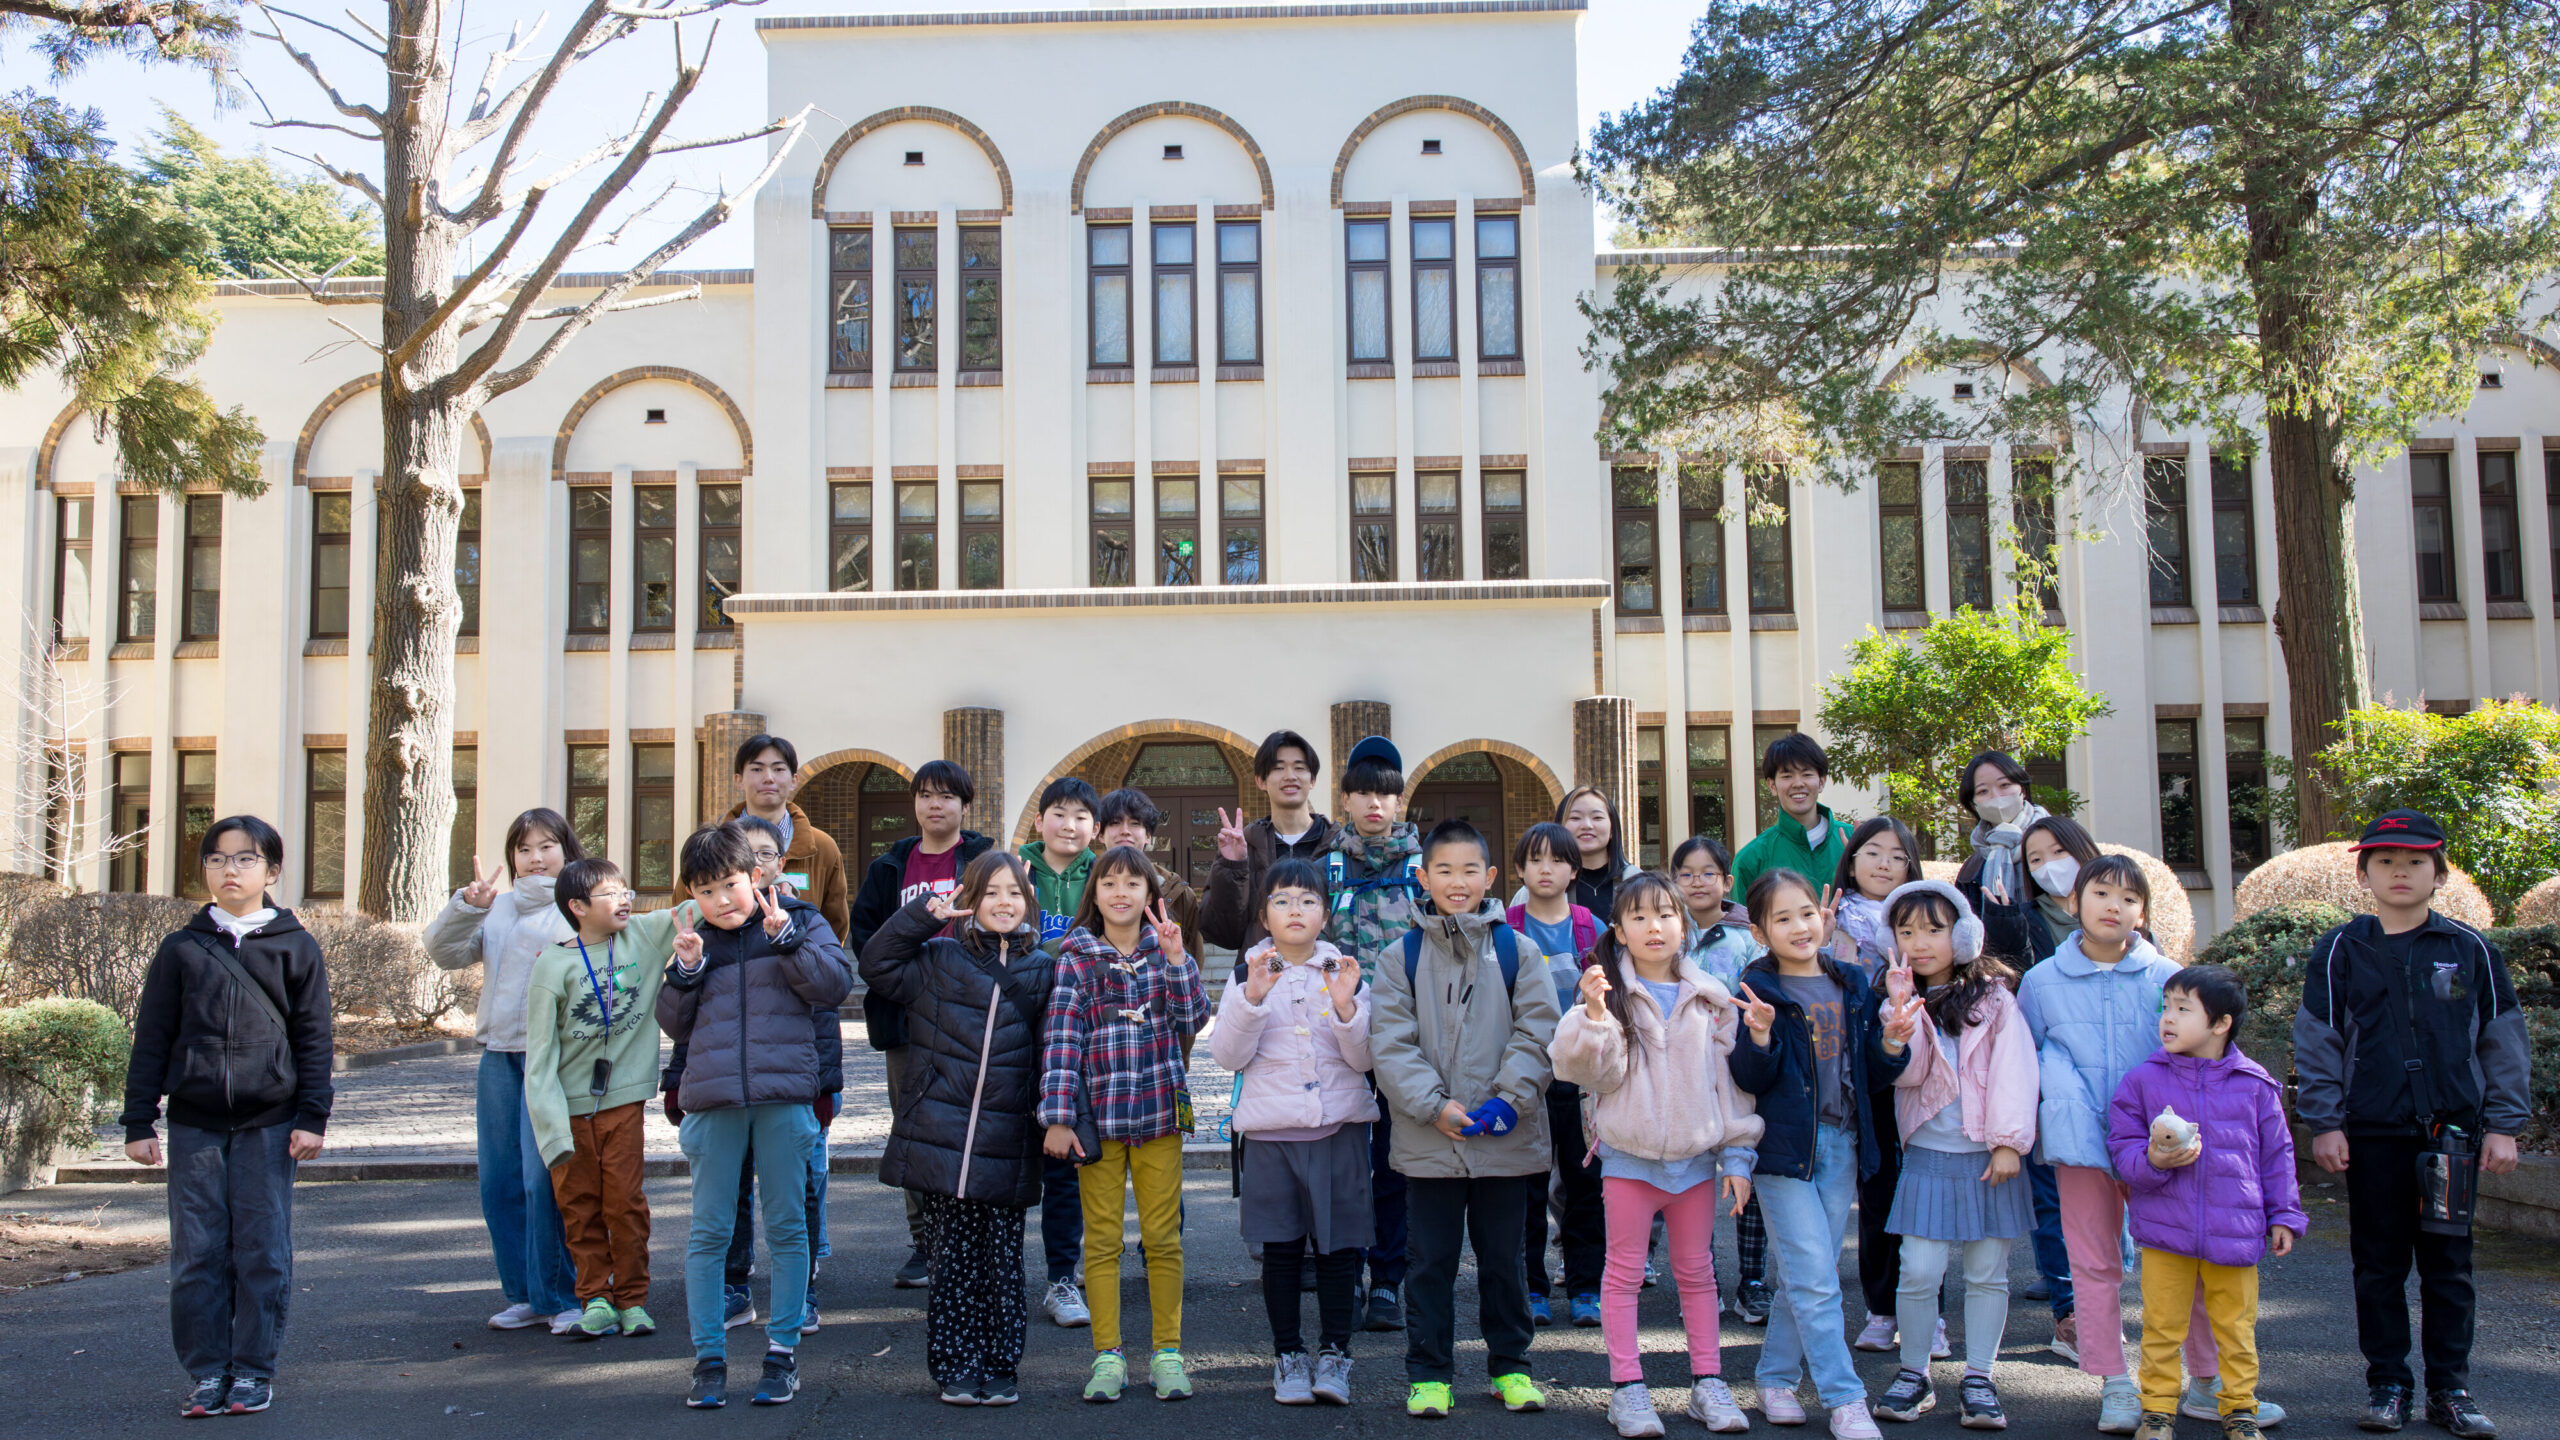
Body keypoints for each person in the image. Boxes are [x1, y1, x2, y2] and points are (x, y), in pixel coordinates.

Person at [2017, 855, 2277, 1433]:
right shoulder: (2040, 983)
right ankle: (2114, 1382)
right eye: (2102, 893)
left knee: (2199, 1255)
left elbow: (2209, 1056)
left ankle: (2208, 1384)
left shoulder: (2169, 977)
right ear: (2072, 903)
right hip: (2082, 1142)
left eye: (2130, 898)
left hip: (2168, 1146)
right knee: (2093, 1263)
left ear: (2144, 911)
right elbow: (2024, 1064)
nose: (2115, 906)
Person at [2295, 810, 2528, 1439]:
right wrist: (2324, 1122)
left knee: (2450, 1267)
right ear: (2365, 872)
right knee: (2379, 1265)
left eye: (2416, 861)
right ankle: (2388, 1385)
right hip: (2371, 1132)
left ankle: (2450, 1388)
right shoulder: (2342, 948)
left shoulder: (2470, 949)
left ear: (2439, 871)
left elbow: (2503, 1041)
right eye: (2386, 860)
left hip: (2452, 1135)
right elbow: (2317, 1039)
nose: (2401, 871)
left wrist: (2504, 1125)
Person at [121, 816, 333, 1419]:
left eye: (244, 859)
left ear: (271, 871)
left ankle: (254, 1371)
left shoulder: (295, 945)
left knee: (262, 1250)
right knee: (197, 1253)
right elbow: (153, 1037)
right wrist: (139, 1121)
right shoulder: (183, 946)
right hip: (195, 1123)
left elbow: (314, 1040)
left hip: (271, 1122)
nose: (229, 870)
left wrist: (312, 1116)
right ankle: (208, 1371)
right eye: (216, 860)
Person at [1549, 873, 1760, 1438]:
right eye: (1638, 917)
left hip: (1693, 1161)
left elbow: (1730, 1087)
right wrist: (1592, 1017)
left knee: (1697, 1275)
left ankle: (1708, 1383)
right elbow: (1583, 1073)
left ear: (1683, 925)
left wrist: (1737, 1159)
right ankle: (1627, 1388)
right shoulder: (1607, 993)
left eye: (1665, 914)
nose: (1654, 926)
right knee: (1621, 1275)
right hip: (1628, 1159)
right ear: (1618, 930)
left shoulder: (1712, 999)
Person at [1369, 818, 1563, 1420]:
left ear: (1491, 877)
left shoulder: (1518, 949)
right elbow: (1390, 1045)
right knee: (1428, 1262)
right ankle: (1429, 1373)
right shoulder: (1399, 956)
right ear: (1422, 877)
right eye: (1444, 871)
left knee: (1505, 1262)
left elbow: (1540, 1030)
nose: (1457, 882)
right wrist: (1435, 1106)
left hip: (1504, 1137)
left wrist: (1509, 1099)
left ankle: (1511, 1367)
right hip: (1430, 1141)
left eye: (1470, 869)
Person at [657, 822, 853, 1410]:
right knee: (709, 1232)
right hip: (714, 1104)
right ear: (691, 894)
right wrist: (685, 970)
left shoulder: (802, 920)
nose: (720, 900)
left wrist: (787, 937)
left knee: (789, 1230)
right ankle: (708, 1358)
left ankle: (782, 1354)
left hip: (784, 1101)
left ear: (758, 876)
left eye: (730, 884)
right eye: (705, 890)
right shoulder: (695, 942)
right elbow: (673, 1023)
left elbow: (834, 986)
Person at [858, 851, 1054, 1407]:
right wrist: (925, 914)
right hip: (942, 1137)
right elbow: (877, 964)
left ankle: (1000, 1366)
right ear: (969, 898)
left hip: (1007, 1141)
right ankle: (954, 1365)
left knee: (1002, 1263)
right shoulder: (937, 956)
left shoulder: (1044, 967)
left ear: (1028, 901)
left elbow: (1056, 1050)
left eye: (1014, 893)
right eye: (990, 892)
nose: (1003, 903)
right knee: (951, 1264)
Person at [1729, 868, 1916, 1440]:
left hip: (1842, 1145)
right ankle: (1845, 1397)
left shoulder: (1854, 983)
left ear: (1823, 915)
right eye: (1781, 918)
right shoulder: (1758, 987)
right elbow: (1748, 1075)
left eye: (1806, 912)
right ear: (1761, 931)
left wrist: (1892, 1041)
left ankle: (1776, 1377)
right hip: (1784, 1151)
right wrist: (1759, 1036)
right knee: (1815, 1280)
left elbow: (1876, 1072)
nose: (1798, 926)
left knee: (1808, 1275)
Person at [2106, 964, 2308, 1440]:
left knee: (2236, 1329)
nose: (2168, 1019)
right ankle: (2157, 1411)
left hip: (2236, 1235)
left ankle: (2239, 1409)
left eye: (2183, 1009)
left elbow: (2278, 1156)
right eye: (2166, 1007)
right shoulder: (2144, 1081)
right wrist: (2153, 1159)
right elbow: (2122, 1149)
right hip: (2165, 1231)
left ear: (2221, 1024)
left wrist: (2284, 1215)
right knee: (2160, 1327)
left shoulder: (2255, 1085)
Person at [1042, 846, 1209, 1402]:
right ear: (1094, 893)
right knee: (1104, 1240)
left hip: (1161, 1113)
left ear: (1149, 895)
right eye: (1109, 882)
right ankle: (1108, 1355)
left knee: (1164, 1239)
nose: (1120, 893)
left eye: (1132, 884)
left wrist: (1180, 960)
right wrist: (1058, 1117)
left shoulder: (1166, 951)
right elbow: (1062, 1042)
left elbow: (1194, 1019)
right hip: (1100, 1122)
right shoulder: (1075, 957)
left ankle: (1168, 1350)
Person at [1211, 858, 1377, 1407]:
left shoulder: (1344, 970)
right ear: (1264, 915)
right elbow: (1229, 1055)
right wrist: (1254, 999)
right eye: (1282, 901)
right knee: (1281, 1252)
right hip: (1271, 1136)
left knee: (1338, 1252)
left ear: (1325, 912)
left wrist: (1348, 1006)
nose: (1295, 910)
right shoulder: (1247, 973)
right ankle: (1288, 1355)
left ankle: (1335, 1354)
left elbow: (1364, 1059)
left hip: (1339, 1131)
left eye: (1307, 900)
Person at [1872, 880, 2035, 1429]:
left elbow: (2017, 1071)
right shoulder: (1895, 997)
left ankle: (1979, 1378)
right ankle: (1914, 1373)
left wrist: (2010, 1144)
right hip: (1927, 1157)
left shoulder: (1995, 998)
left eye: (1933, 930)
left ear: (1961, 935)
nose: (1919, 942)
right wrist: (1899, 1020)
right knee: (1918, 1271)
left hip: (1990, 1157)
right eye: (1906, 930)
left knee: (1988, 1272)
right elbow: (1911, 1074)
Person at [424, 807, 585, 1334]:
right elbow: (443, 953)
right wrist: (466, 909)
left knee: (545, 1182)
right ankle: (523, 1294)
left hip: (553, 1061)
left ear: (567, 850)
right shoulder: (497, 908)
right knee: (500, 1182)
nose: (534, 858)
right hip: (498, 1056)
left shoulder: (580, 906)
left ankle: (561, 1294)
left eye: (546, 846)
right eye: (523, 848)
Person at [524, 857, 694, 1340]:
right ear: (577, 907)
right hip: (569, 1108)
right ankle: (595, 1298)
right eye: (610, 892)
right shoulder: (552, 965)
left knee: (624, 1203)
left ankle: (634, 1299)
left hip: (623, 1104)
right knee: (579, 1206)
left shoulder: (640, 937)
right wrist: (551, 1128)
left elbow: (698, 906)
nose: (624, 898)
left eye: (626, 889)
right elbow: (539, 1059)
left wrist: (751, 876)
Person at [845, 758, 993, 1289]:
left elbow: (1005, 922)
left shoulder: (983, 861)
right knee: (913, 1129)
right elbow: (865, 936)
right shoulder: (889, 868)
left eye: (947, 796)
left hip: (970, 1017)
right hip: (907, 1017)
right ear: (915, 804)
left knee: (972, 1127)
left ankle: (970, 1239)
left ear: (964, 805)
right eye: (926, 795)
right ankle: (925, 1243)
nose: (936, 804)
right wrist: (904, 981)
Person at [1320, 736, 1424, 1332]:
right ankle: (1346, 1273)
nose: (1375, 803)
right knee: (1342, 1165)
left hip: (1405, 1038)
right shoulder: (1329, 865)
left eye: (1386, 792)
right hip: (1337, 1036)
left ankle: (1387, 1279)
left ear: (1399, 798)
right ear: (1347, 798)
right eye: (1363, 792)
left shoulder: (1423, 866)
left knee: (1393, 1163)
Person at [1829, 818, 1942, 1363]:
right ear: (1851, 862)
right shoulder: (1834, 921)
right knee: (1877, 1191)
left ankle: (1929, 1312)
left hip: (1924, 1068)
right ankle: (1881, 1308)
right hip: (1865, 1070)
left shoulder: (1925, 919)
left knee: (1925, 1193)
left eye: (1897, 856)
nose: (1882, 864)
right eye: (1871, 852)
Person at [1508, 821, 1604, 1328]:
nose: (1546, 869)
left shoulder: (1593, 929)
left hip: (1582, 1080)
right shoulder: (1504, 927)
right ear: (1520, 869)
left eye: (1557, 860)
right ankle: (1532, 1287)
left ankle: (1587, 1286)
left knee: (1586, 1183)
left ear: (1574, 868)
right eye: (1535, 860)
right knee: (1526, 1184)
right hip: (1525, 1078)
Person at [1670, 835, 1770, 1325]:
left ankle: (1752, 1279)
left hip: (1737, 1071)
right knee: (1691, 1181)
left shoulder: (1747, 938)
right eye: (1686, 873)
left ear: (1728, 882)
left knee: (1743, 1172)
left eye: (1708, 872)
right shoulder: (1668, 934)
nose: (1697, 882)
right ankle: (1700, 1278)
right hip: (1683, 1074)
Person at [1019, 774, 1100, 1325]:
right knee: (1006, 1163)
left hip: (1079, 1035)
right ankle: (991, 1273)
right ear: (1040, 819)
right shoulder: (1012, 871)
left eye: (1080, 817)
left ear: (1094, 828)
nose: (1068, 825)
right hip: (1016, 1035)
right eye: (1059, 813)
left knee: (1068, 1164)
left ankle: (1062, 1279)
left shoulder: (1104, 874)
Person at [1203, 728, 1334, 954]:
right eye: (1278, 768)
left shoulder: (1339, 844)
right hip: (1262, 979)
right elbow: (1224, 934)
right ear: (1261, 781)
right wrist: (1233, 868)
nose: (1290, 776)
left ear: (1312, 780)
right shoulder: (1246, 845)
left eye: (1299, 768)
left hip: (1326, 980)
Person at [725, 734, 851, 939]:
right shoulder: (711, 845)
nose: (768, 778)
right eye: (756, 769)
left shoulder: (822, 847)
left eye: (778, 769)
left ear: (794, 780)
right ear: (738, 780)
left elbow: (834, 924)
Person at [1729, 732, 1852, 897]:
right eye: (1787, 776)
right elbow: (1742, 921)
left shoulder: (1855, 842)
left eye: (1807, 774)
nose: (1798, 784)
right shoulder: (1751, 859)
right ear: (1772, 785)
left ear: (1821, 782)